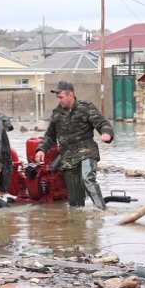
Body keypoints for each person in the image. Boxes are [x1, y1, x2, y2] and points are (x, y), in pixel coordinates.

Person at [35, 81, 114, 210]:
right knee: (75, 199)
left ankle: (101, 211)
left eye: (61, 97)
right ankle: (78, 223)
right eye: (58, 98)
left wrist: (106, 133)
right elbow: (50, 136)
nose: (58, 100)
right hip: (67, 156)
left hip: (86, 150)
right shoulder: (57, 114)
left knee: (87, 178)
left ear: (70, 95)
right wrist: (41, 149)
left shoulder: (86, 108)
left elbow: (102, 123)